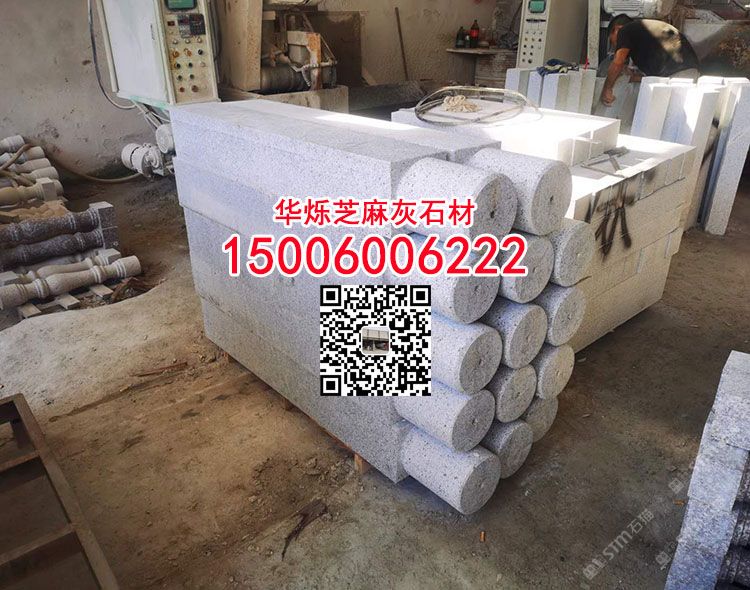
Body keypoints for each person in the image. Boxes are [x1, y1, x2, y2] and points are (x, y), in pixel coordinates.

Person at [600, 14, 699, 105]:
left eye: (612, 41)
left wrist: (607, 88)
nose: (615, 46)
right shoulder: (644, 34)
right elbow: (653, 77)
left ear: (617, 29)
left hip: (677, 75)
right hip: (688, 71)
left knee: (662, 112)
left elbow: (618, 62)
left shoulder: (625, 30)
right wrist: (633, 77)